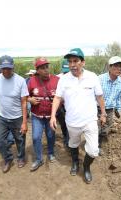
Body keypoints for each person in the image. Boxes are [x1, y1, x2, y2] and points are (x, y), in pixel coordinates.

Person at [50, 48, 107, 184]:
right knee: (73, 144)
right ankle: (75, 162)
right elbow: (57, 98)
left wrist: (103, 113)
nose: (72, 64)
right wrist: (52, 116)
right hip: (72, 122)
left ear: (83, 62)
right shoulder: (63, 80)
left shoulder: (92, 77)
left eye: (75, 61)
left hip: (90, 120)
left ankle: (86, 167)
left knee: (93, 151)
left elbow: (99, 96)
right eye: (69, 61)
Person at [0, 55, 28, 173]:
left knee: (20, 140)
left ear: (13, 67)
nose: (6, 71)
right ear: (0, 68)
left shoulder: (20, 80)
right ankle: (7, 158)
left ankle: (21, 157)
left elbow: (24, 102)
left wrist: (24, 122)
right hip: (2, 116)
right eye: (3, 68)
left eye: (9, 68)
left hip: (17, 117)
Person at [28, 57, 59, 171]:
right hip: (37, 116)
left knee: (51, 136)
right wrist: (30, 99)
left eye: (47, 67)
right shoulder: (32, 81)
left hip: (51, 116)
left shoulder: (57, 80)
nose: (46, 70)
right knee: (36, 137)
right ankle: (39, 159)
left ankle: (50, 153)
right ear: (37, 70)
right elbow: (25, 95)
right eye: (42, 68)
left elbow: (62, 96)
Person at [98, 56, 121, 154]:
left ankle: (99, 144)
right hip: (97, 108)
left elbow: (119, 97)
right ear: (109, 67)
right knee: (96, 128)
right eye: (116, 66)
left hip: (109, 109)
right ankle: (94, 145)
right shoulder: (100, 79)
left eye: (120, 66)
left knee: (106, 128)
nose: (119, 69)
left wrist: (118, 109)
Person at [56, 59, 70, 148]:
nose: (66, 74)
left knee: (70, 122)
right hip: (60, 105)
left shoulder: (76, 78)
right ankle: (65, 135)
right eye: (64, 72)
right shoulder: (57, 78)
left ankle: (68, 140)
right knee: (63, 123)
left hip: (70, 105)